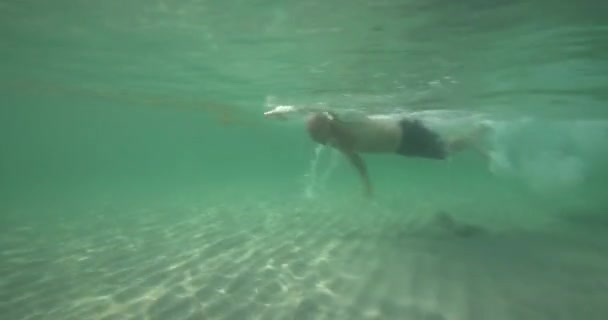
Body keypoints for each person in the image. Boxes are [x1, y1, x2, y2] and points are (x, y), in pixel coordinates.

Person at [264, 105, 488, 198]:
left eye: (322, 137)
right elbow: (356, 161)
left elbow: (316, 108)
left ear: (326, 128)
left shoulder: (343, 118)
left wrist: (284, 110)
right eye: (321, 141)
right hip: (401, 147)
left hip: (406, 132)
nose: (325, 143)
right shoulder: (339, 142)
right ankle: (472, 138)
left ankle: (474, 137)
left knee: (445, 150)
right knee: (444, 152)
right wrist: (366, 183)